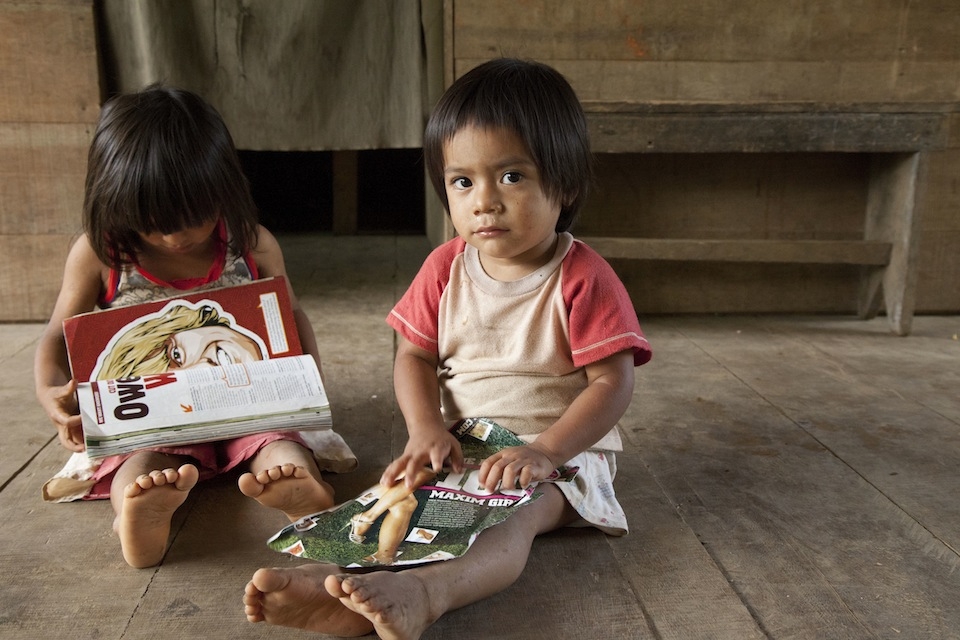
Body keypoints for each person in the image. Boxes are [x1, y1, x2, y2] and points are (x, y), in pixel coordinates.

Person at [243, 57, 652, 639]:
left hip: (562, 457)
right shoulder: (445, 268)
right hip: (464, 446)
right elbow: (412, 356)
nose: (484, 201)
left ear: (564, 185)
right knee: (394, 503)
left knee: (506, 524)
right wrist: (424, 428)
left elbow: (613, 383)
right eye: (463, 181)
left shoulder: (581, 276)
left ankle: (426, 594)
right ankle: (334, 586)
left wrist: (544, 451)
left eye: (511, 177)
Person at [34, 85, 344, 569]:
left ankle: (301, 489)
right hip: (154, 418)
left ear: (223, 189)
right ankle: (135, 515)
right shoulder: (101, 255)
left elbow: (291, 312)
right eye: (153, 223)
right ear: (115, 201)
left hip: (249, 400)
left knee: (277, 441)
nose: (176, 236)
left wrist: (308, 379)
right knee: (142, 461)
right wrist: (51, 392)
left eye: (195, 217)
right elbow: (57, 333)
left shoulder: (251, 244)